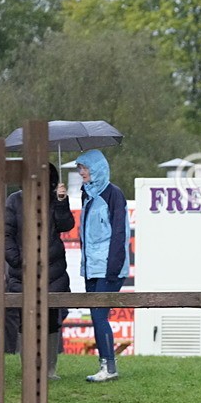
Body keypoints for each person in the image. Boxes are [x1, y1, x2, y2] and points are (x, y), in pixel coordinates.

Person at [4, 163, 76, 379]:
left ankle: (49, 370)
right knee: (26, 319)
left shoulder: (55, 199)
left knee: (52, 318)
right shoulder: (14, 200)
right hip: (23, 272)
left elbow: (66, 225)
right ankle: (29, 369)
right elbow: (5, 233)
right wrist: (16, 261)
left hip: (53, 272)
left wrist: (62, 202)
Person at [75, 149, 131, 382]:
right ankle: (105, 366)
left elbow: (119, 233)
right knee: (96, 316)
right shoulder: (86, 196)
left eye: (84, 168)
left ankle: (109, 367)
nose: (81, 173)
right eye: (79, 169)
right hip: (91, 269)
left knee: (99, 317)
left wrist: (112, 269)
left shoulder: (113, 194)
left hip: (109, 269)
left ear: (96, 169)